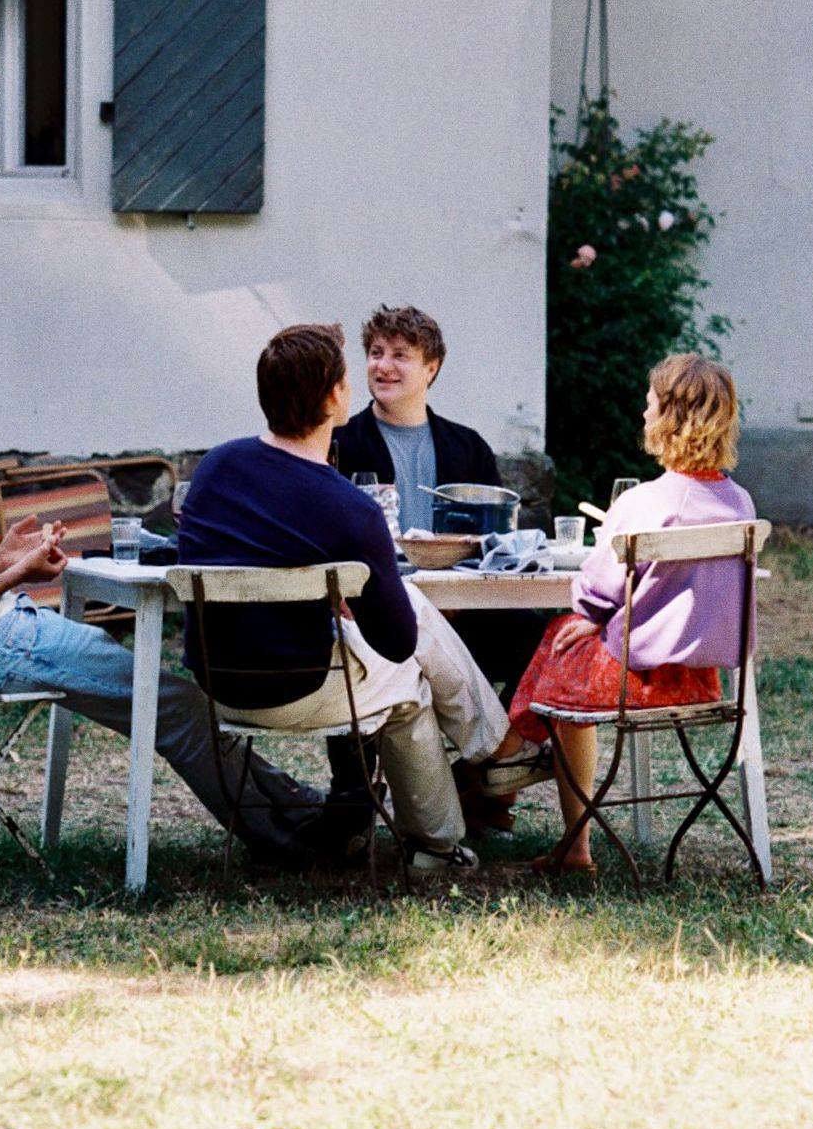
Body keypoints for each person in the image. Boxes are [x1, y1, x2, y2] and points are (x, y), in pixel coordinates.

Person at [0, 316, 339, 869]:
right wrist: (22, 573)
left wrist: (0, 557)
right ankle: (296, 840)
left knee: (174, 704)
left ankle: (305, 811)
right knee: (174, 706)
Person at [176, 323, 516, 876]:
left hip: (219, 682)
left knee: (406, 624)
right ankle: (446, 833)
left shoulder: (215, 467)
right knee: (411, 682)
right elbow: (399, 642)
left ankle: (494, 760)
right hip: (299, 687)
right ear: (335, 397)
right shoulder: (349, 506)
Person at [492, 354, 757, 875]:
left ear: (670, 417)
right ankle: (510, 754)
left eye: (649, 402)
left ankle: (509, 757)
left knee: (561, 635)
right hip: (705, 682)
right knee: (565, 642)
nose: (643, 412)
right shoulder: (742, 503)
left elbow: (597, 584)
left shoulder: (645, 501)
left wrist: (591, 612)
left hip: (638, 682)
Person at [329, 304, 549, 821]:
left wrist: (456, 600)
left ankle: (483, 781)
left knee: (538, 638)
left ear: (432, 368)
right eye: (376, 354)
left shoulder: (467, 447)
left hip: (465, 614)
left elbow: (497, 545)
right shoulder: (342, 443)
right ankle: (353, 797)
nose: (383, 366)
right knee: (346, 642)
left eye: (401, 355)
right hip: (376, 614)